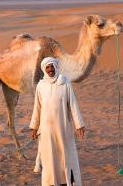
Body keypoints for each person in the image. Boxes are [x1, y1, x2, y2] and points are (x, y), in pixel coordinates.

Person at [30, 57, 85, 186]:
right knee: (50, 159)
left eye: (52, 66)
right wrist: (34, 127)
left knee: (65, 157)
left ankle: (66, 182)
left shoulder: (65, 83)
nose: (50, 69)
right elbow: (37, 108)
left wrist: (79, 125)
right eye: (48, 67)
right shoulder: (41, 85)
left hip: (63, 129)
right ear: (44, 69)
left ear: (56, 67)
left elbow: (73, 104)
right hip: (47, 132)